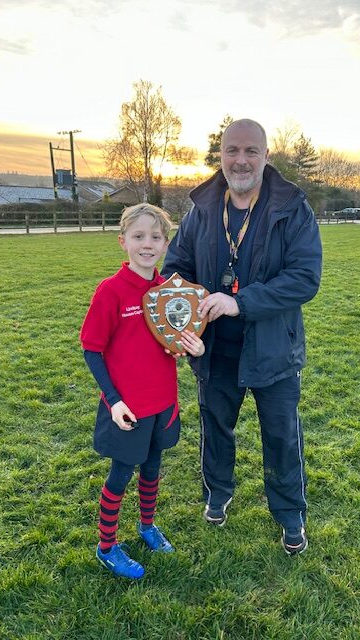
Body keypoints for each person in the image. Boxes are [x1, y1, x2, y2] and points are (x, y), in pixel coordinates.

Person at [162, 119, 322, 555]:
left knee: (281, 437)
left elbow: (305, 278)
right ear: (221, 155)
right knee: (216, 429)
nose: (241, 160)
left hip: (273, 347)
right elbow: (176, 266)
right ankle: (218, 494)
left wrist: (241, 301)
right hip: (215, 348)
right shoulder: (201, 209)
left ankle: (291, 516)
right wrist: (185, 312)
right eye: (232, 150)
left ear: (266, 156)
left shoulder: (292, 207)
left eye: (251, 151)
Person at [80, 203, 204, 580]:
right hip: (128, 408)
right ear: (123, 242)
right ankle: (106, 547)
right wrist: (114, 401)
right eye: (138, 236)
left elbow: (172, 344)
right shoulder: (111, 291)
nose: (146, 244)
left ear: (165, 244)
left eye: (155, 237)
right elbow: (91, 348)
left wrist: (191, 347)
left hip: (163, 403)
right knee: (121, 474)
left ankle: (147, 526)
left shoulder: (167, 293)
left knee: (152, 468)